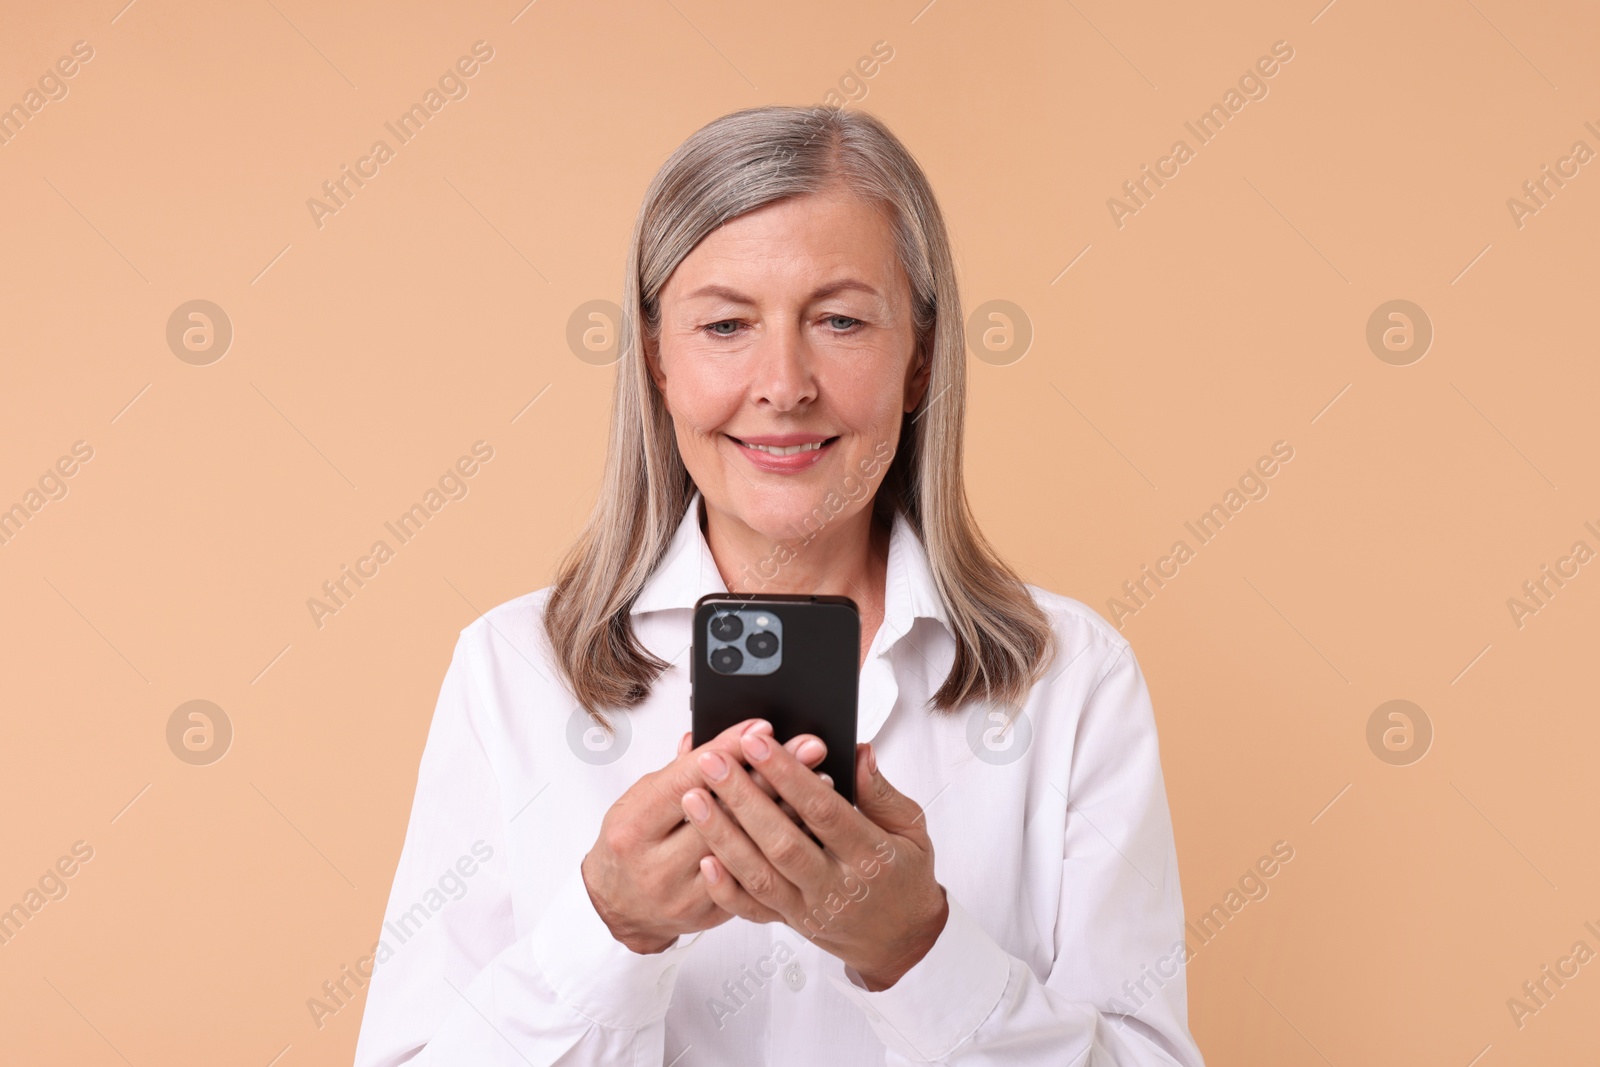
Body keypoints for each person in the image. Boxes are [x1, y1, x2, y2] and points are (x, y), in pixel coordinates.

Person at [353, 104, 1205, 1066]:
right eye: (724, 325)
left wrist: (916, 952)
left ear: (920, 357)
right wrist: (606, 929)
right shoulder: (514, 671)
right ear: (656, 361)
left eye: (840, 320)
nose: (784, 382)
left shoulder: (1071, 677)